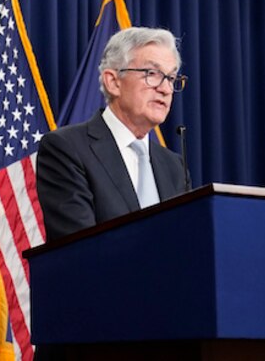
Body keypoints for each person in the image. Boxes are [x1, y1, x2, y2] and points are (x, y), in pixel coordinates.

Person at [36, 27, 191, 240]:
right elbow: (80, 248)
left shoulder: (174, 166)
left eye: (171, 78)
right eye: (152, 74)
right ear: (113, 81)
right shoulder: (66, 149)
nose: (166, 89)